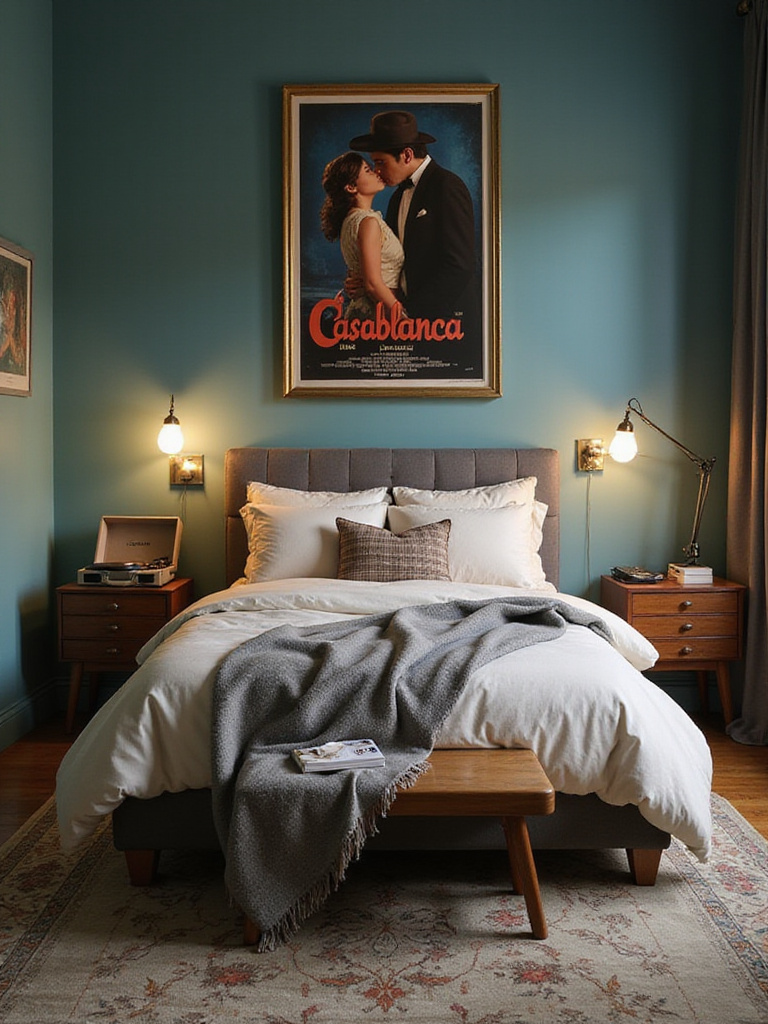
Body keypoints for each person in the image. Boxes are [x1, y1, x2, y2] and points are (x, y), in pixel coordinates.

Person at [349, 110, 480, 332]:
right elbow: (393, 260)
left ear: (407, 155)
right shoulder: (397, 197)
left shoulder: (447, 186)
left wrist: (412, 314)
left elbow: (459, 265)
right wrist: (363, 282)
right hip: (406, 322)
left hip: (445, 322)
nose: (377, 172)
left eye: (381, 162)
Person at [319, 151, 405, 321]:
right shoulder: (367, 222)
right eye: (368, 170)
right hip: (377, 315)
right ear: (351, 187)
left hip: (369, 311)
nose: (376, 172)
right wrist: (403, 319)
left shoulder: (352, 220)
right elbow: (373, 284)